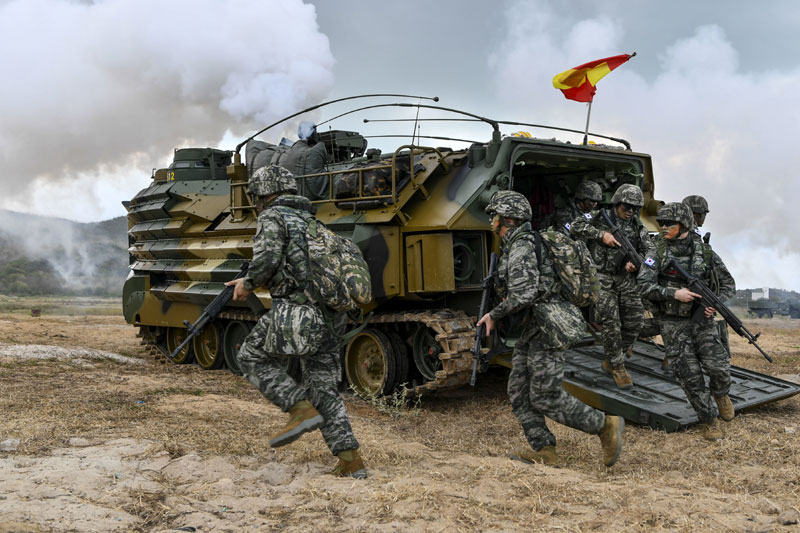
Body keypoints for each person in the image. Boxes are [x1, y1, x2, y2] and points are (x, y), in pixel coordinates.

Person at [225, 165, 366, 478]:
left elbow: (267, 260)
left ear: (263, 193)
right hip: (330, 318)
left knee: (249, 356)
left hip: (296, 315)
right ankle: (351, 462)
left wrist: (246, 284)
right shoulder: (313, 222)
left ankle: (298, 409)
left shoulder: (272, 217)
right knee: (324, 391)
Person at [476, 190, 624, 467]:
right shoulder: (522, 243)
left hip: (548, 326)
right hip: (536, 326)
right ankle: (545, 449)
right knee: (519, 391)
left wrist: (493, 315)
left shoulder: (522, 246)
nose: (491, 221)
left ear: (506, 218)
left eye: (494, 215)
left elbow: (524, 294)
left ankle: (604, 425)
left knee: (545, 394)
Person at [638, 202, 736, 440]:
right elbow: (643, 285)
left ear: (684, 224)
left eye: (668, 223)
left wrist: (715, 303)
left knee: (719, 367)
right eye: (660, 223)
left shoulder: (705, 252)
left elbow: (728, 284)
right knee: (690, 376)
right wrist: (673, 294)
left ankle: (721, 393)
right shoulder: (656, 252)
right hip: (673, 324)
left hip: (703, 320)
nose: (662, 227)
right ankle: (709, 421)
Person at [570, 183, 654, 389]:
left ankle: (613, 357)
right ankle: (617, 365)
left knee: (635, 322)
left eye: (636, 208)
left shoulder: (637, 225)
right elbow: (574, 226)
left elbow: (652, 253)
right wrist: (601, 235)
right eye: (628, 207)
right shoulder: (598, 217)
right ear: (617, 204)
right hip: (602, 278)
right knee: (611, 323)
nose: (632, 212)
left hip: (626, 278)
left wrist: (639, 263)